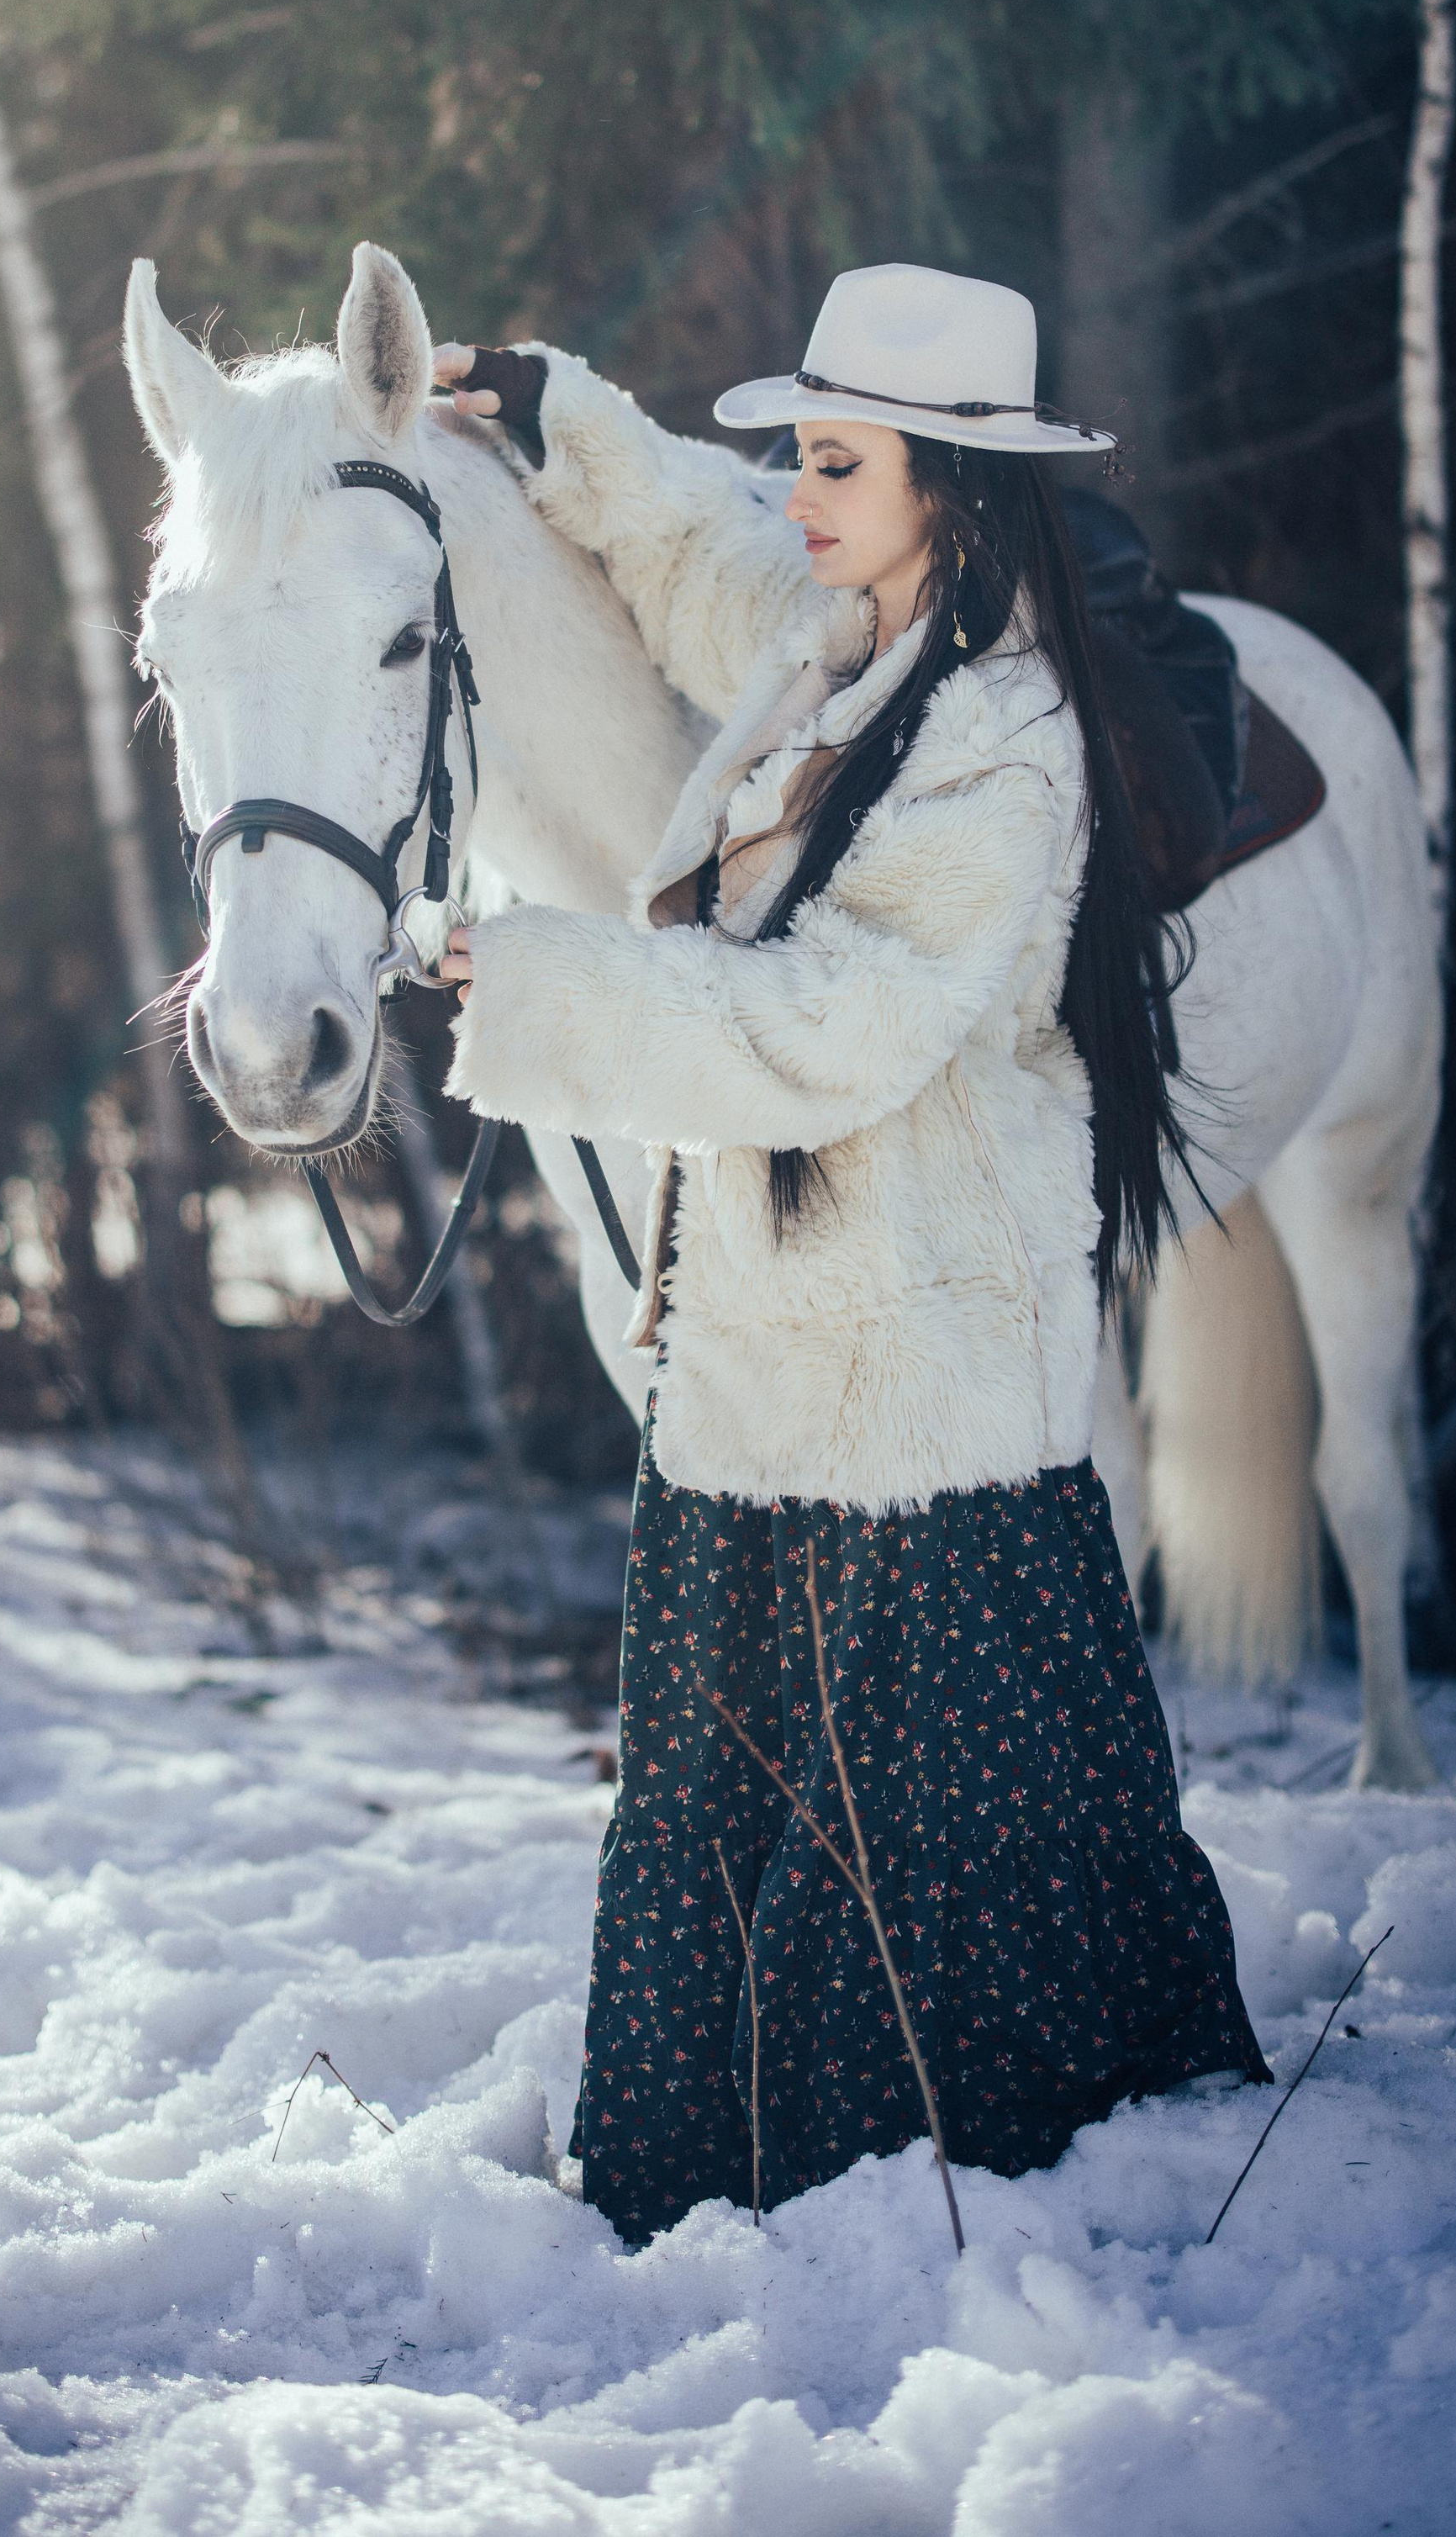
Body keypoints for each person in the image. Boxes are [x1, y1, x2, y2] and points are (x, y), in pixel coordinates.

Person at [430, 262, 1268, 2248]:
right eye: (795, 456)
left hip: (916, 1417)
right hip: (755, 1384)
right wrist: (565, 424)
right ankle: (716, 2166)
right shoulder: (832, 643)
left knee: (929, 1877)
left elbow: (829, 1027)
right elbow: (694, 554)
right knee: (722, 1818)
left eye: (830, 461)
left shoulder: (1003, 743)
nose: (791, 496)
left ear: (949, 492)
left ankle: (921, 2217)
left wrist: (527, 974)